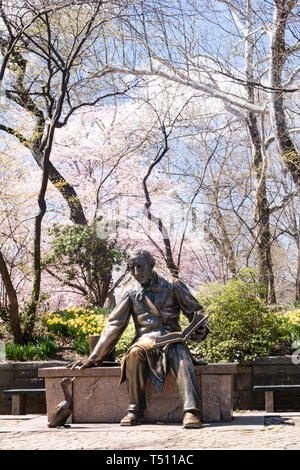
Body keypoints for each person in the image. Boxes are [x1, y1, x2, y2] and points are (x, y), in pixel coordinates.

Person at [67, 249, 209, 428]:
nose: (136, 272)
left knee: (180, 354)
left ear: (152, 265)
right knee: (133, 354)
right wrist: (94, 358)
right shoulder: (130, 292)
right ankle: (135, 409)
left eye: (140, 267)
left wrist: (201, 328)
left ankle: (191, 412)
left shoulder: (173, 285)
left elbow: (196, 311)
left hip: (172, 339)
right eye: (131, 268)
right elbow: (114, 324)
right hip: (144, 341)